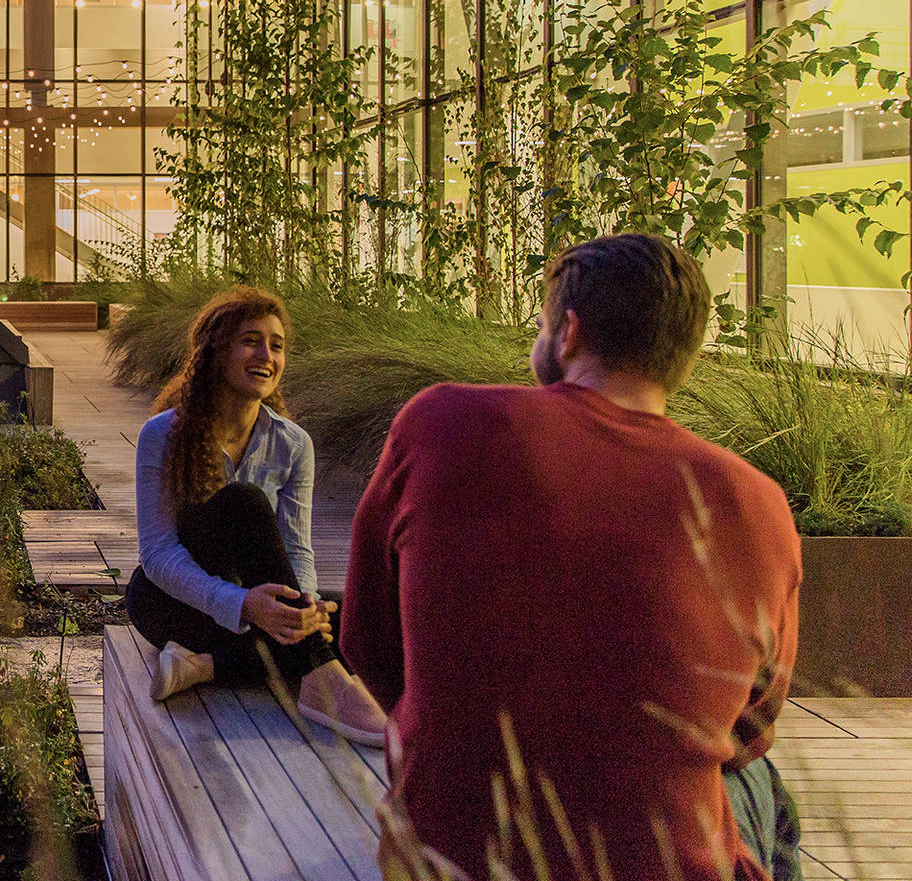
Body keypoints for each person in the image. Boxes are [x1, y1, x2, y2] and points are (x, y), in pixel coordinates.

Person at [341, 234, 801, 881]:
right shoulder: (758, 502)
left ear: (570, 333)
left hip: (449, 858)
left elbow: (366, 643)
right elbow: (749, 730)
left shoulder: (441, 423)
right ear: (683, 357)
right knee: (767, 794)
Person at [125, 286, 387, 747]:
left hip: (258, 607)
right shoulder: (162, 435)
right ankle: (319, 680)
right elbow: (158, 554)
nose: (266, 354)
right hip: (175, 604)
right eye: (251, 340)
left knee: (349, 616)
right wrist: (244, 604)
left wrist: (305, 604)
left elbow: (297, 547)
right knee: (244, 500)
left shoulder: (292, 443)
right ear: (216, 351)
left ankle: (204, 666)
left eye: (277, 345)